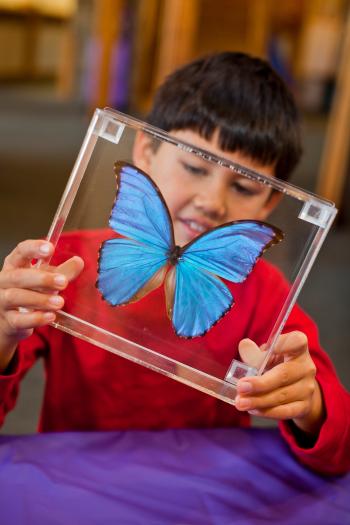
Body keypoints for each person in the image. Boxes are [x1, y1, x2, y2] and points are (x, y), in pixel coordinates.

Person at [0, 52, 349, 476]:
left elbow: (340, 447)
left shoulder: (268, 297)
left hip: (197, 488)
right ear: (144, 151)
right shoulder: (67, 266)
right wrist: (3, 332)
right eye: (193, 167)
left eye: (242, 186)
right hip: (78, 478)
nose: (212, 202)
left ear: (271, 202)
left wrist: (310, 403)